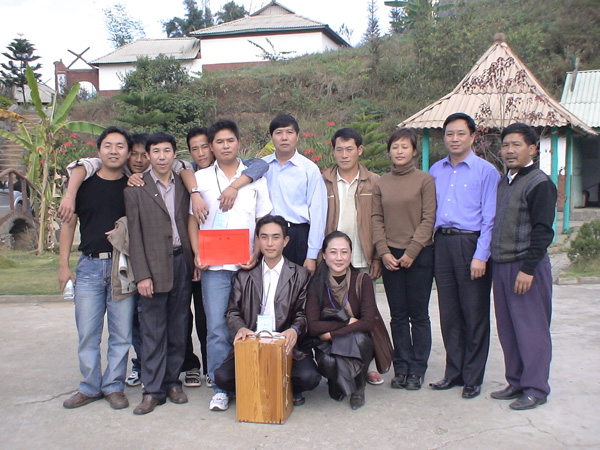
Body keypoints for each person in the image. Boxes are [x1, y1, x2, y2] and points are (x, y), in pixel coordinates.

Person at [188, 119, 272, 411]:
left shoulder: (255, 179)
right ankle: (220, 385)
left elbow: (263, 220)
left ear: (239, 143)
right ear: (211, 147)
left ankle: (252, 380)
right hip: (214, 268)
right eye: (219, 142)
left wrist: (257, 254)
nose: (225, 146)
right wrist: (197, 254)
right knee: (216, 328)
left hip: (247, 265)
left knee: (253, 324)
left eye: (230, 140)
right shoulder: (200, 179)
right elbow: (192, 221)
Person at [58, 126, 135, 410]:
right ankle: (90, 387)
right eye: (108, 146)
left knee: (121, 334)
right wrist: (64, 266)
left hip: (122, 267)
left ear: (128, 153)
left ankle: (114, 385)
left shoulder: (132, 186)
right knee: (88, 333)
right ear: (99, 150)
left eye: (120, 146)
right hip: (89, 266)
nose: (114, 151)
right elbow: (68, 226)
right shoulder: (84, 185)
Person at [214, 215, 321, 407]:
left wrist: (294, 330)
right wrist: (240, 328)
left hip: (286, 345)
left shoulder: (300, 275)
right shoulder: (244, 275)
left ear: (285, 241)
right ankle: (271, 384)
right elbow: (232, 312)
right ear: (257, 240)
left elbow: (303, 313)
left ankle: (278, 386)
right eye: (264, 237)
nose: (269, 243)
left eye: (275, 237)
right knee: (222, 377)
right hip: (253, 342)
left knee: (309, 378)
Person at [429, 112, 500, 399]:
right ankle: (454, 372)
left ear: (473, 136)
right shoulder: (436, 170)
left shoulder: (486, 172)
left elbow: (490, 218)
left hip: (471, 244)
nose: (454, 139)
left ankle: (473, 377)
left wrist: (481, 255)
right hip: (442, 244)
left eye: (460, 133)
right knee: (449, 313)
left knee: (474, 312)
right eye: (449, 134)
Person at [125, 132, 194, 415]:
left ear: (175, 154)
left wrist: (193, 263)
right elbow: (134, 236)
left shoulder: (185, 184)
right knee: (152, 330)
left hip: (181, 263)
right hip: (152, 268)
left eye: (167, 151)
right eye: (156, 151)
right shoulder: (135, 189)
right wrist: (142, 275)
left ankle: (172, 381)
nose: (162, 156)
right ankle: (152, 390)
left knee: (178, 327)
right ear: (148, 155)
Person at [490, 123, 557, 410]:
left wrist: (528, 269)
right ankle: (516, 381)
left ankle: (536, 388)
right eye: (506, 145)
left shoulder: (539, 183)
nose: (509, 150)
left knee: (531, 329)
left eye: (516, 144)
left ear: (532, 149)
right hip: (502, 265)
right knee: (508, 328)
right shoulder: (505, 182)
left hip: (526, 267)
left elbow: (543, 231)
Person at [372, 128, 436, 391]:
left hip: (420, 255)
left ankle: (417, 369)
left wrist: (411, 252)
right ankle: (401, 368)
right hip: (391, 257)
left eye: (404, 147)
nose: (399, 151)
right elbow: (376, 219)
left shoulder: (425, 180)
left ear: (414, 151)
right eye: (395, 147)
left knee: (418, 315)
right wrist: (384, 252)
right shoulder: (381, 183)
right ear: (389, 151)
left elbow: (429, 218)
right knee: (397, 315)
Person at [305, 231, 376, 410]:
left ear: (351, 254)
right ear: (324, 255)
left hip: (354, 339)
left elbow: (368, 322)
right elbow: (313, 326)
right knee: (328, 362)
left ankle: (359, 386)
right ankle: (335, 380)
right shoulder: (316, 283)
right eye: (333, 252)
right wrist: (345, 323)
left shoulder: (362, 280)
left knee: (361, 339)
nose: (339, 258)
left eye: (344, 252)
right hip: (329, 344)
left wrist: (331, 333)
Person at [262, 114, 327, 275]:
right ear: (271, 137)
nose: (284, 137)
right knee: (267, 285)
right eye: (278, 132)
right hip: (267, 237)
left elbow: (318, 213)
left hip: (297, 237)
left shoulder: (309, 169)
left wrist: (311, 255)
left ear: (297, 136)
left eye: (289, 132)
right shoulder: (262, 167)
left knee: (298, 287)